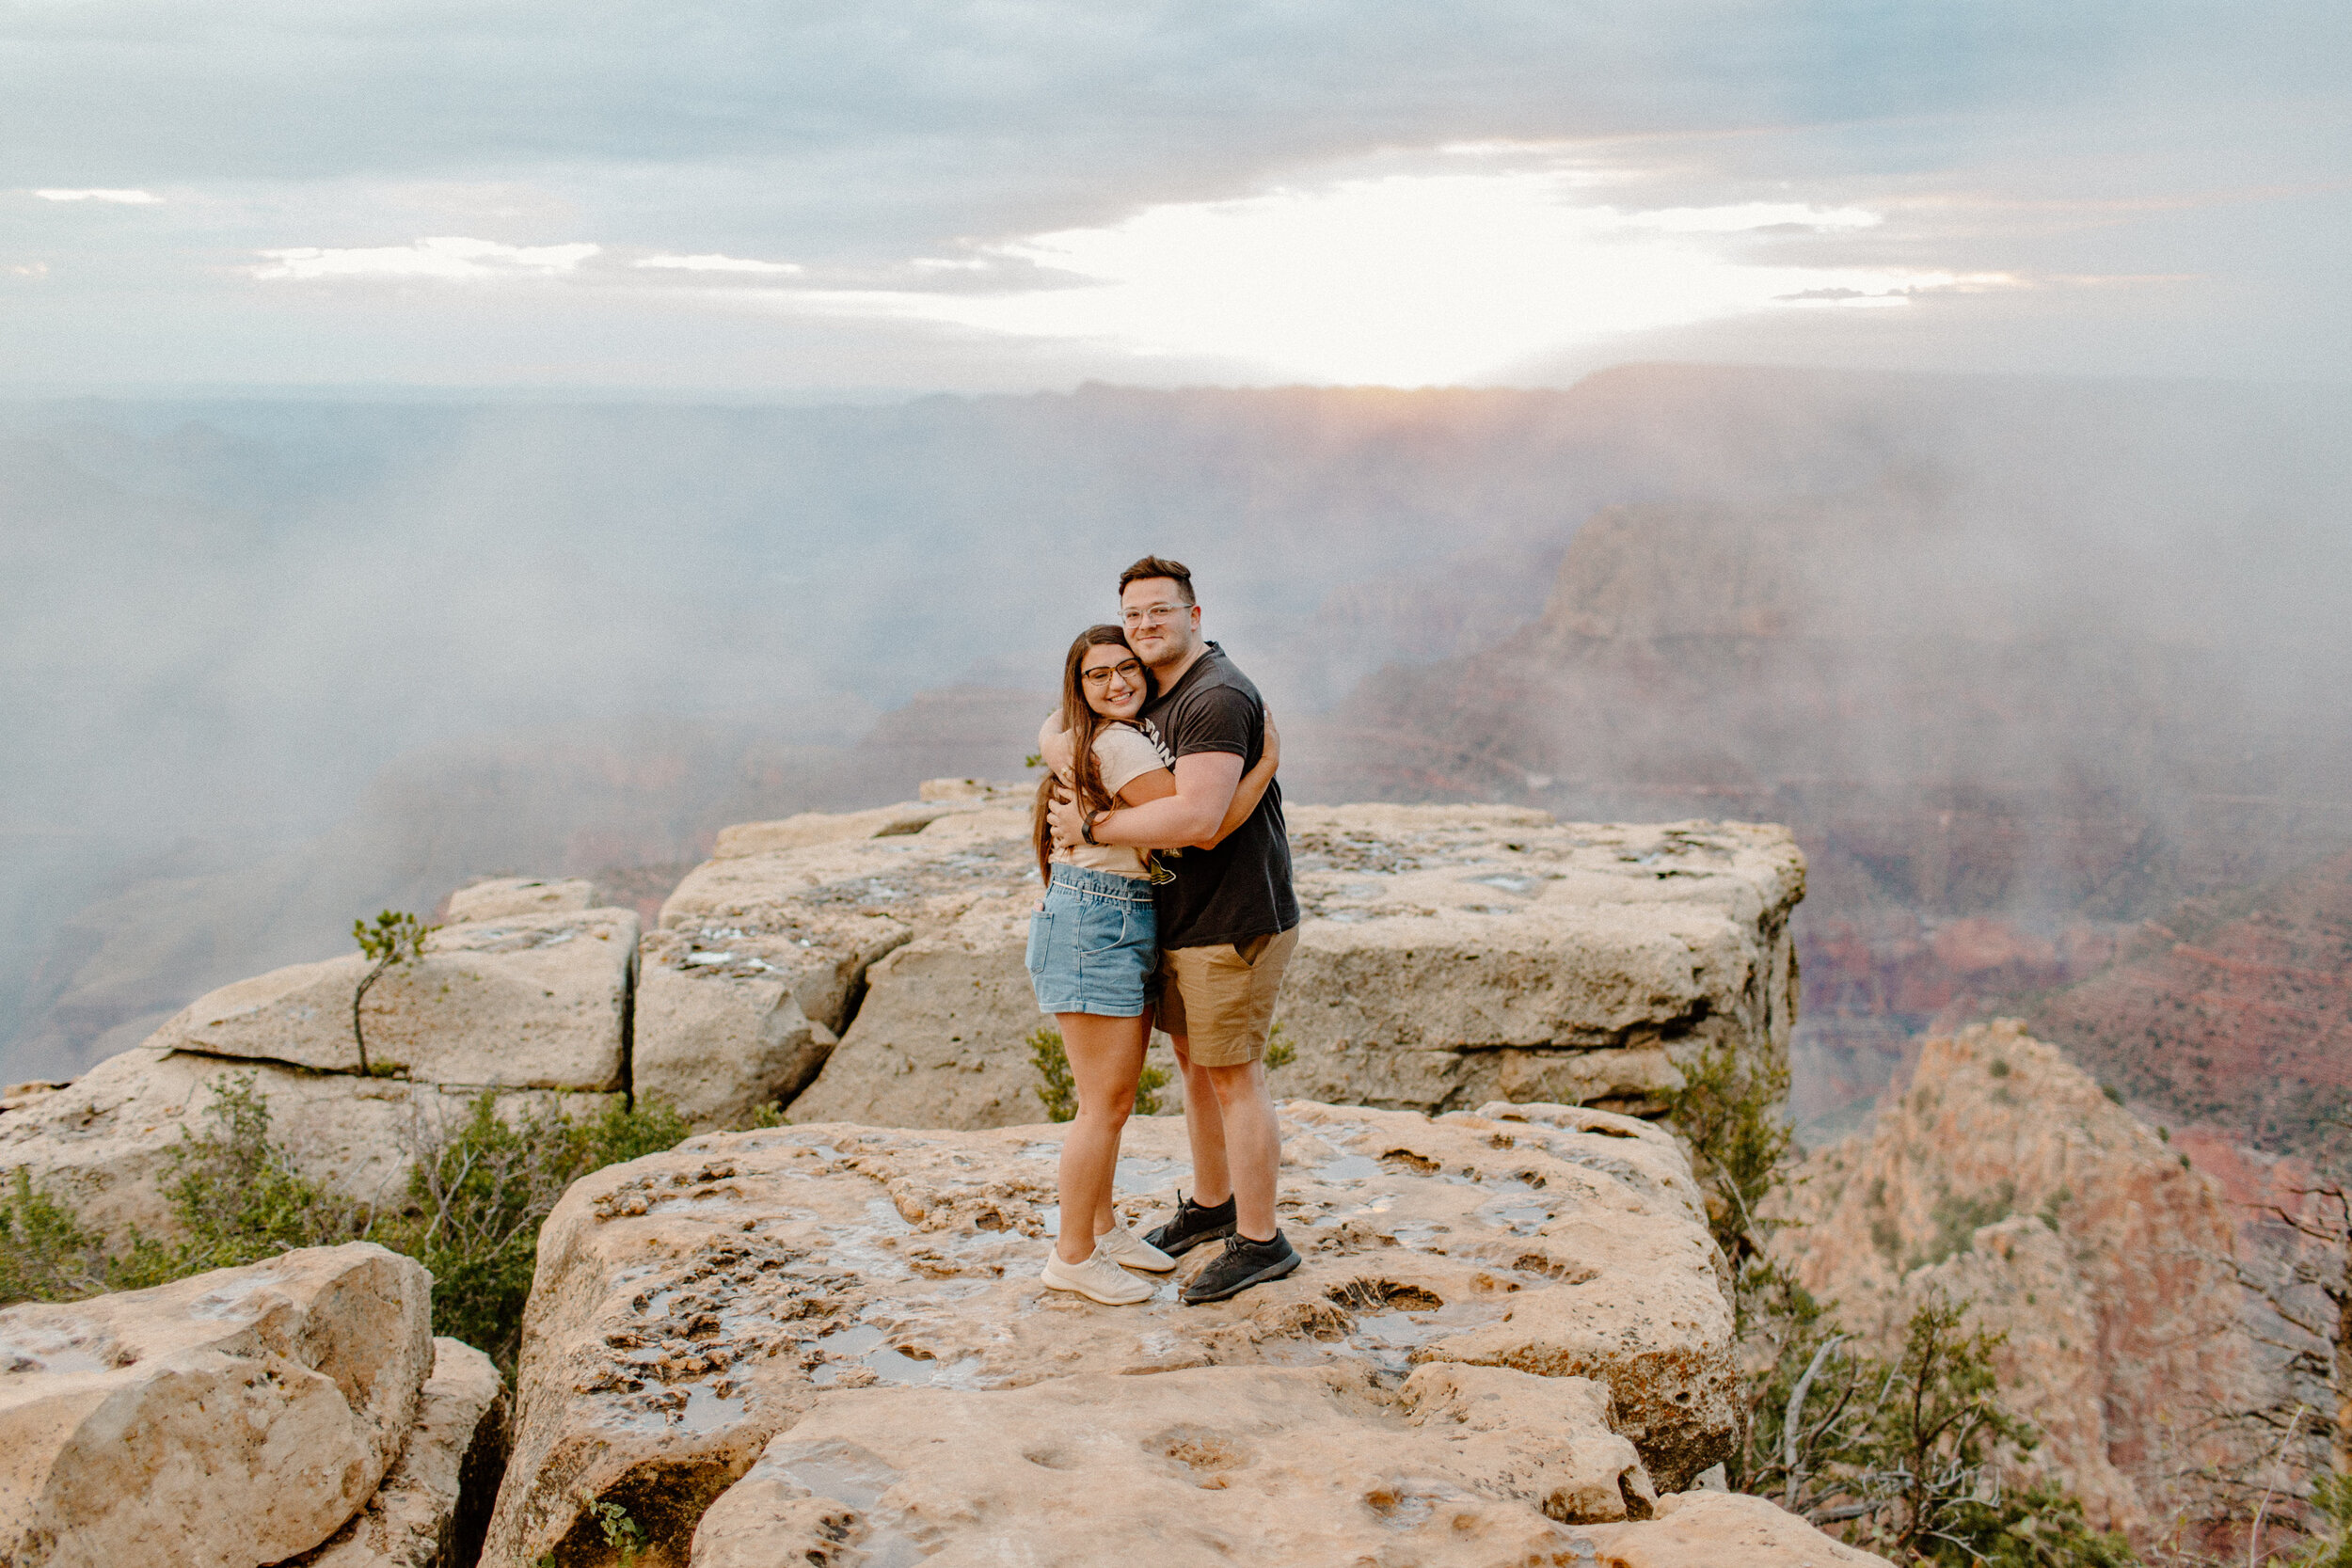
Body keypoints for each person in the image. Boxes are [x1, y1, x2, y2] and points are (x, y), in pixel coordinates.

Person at [1045, 555, 1304, 1306]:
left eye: (1160, 611)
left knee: (1233, 1075)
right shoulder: (1156, 688)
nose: (1146, 626)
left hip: (1233, 917)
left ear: (1195, 615)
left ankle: (1260, 1240)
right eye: (1134, 616)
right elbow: (1067, 719)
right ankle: (1213, 1203)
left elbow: (1199, 823)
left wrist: (1095, 822)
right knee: (1196, 1067)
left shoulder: (1215, 697)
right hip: (1180, 919)